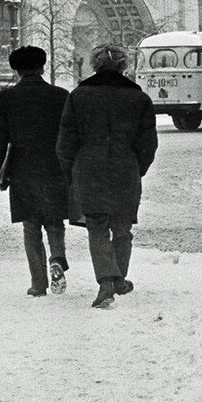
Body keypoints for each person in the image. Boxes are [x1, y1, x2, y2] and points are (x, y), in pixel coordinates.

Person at [57, 44, 158, 308]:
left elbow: (66, 142)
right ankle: (119, 279)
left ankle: (105, 283)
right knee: (122, 226)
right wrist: (138, 167)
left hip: (89, 166)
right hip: (126, 167)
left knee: (97, 226)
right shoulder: (139, 98)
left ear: (94, 65)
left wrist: (72, 170)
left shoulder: (78, 96)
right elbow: (148, 144)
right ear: (124, 66)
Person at [0, 46, 70, 297]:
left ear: (16, 70)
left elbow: (0, 137)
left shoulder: (5, 98)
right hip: (54, 166)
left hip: (22, 166)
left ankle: (38, 283)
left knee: (31, 226)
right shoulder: (61, 95)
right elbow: (69, 135)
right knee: (55, 222)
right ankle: (57, 258)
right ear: (42, 67)